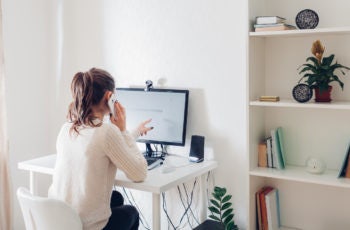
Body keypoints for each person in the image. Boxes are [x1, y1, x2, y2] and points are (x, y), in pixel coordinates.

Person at [48, 67, 152, 230]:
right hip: (86, 226)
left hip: (61, 220)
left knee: (115, 197)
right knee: (131, 213)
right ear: (109, 96)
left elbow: (109, 147)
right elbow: (140, 173)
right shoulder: (107, 132)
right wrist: (123, 130)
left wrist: (135, 132)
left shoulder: (67, 128)